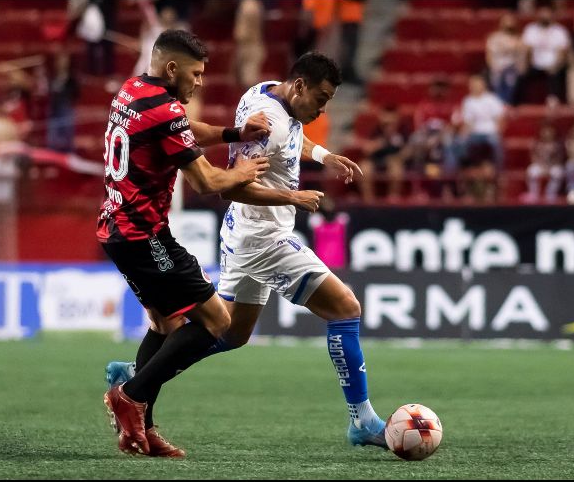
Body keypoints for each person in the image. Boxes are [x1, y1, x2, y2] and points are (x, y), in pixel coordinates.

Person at [108, 53, 391, 451]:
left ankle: (139, 374)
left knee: (233, 333)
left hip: (242, 233)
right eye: (321, 99)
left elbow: (290, 140)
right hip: (264, 238)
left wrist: (324, 156)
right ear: (300, 86)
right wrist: (292, 197)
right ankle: (362, 420)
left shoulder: (266, 92)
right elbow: (234, 187)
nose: (323, 109)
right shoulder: (270, 119)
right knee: (346, 308)